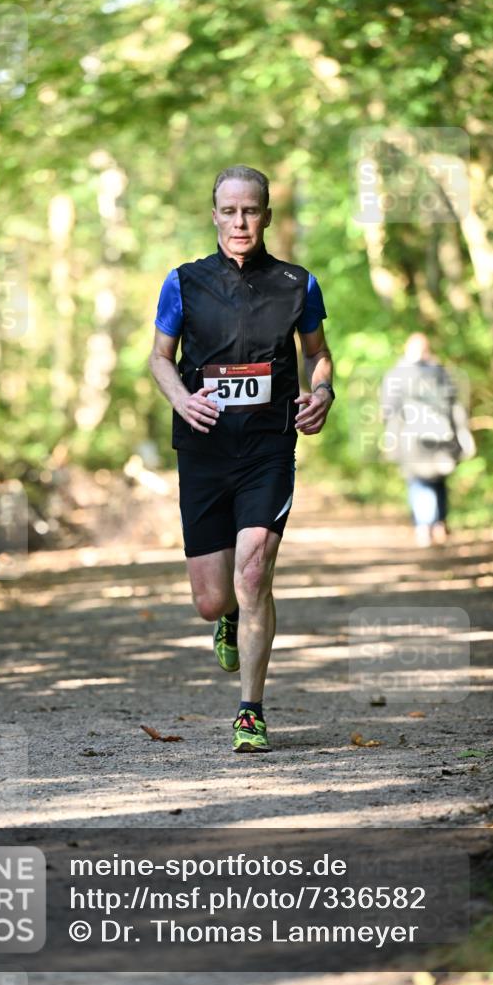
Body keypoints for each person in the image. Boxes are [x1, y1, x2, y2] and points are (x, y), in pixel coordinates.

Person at [148, 164, 333, 754]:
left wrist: (322, 393)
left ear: (267, 216)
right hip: (203, 447)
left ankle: (250, 711)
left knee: (254, 572)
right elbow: (158, 357)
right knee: (212, 600)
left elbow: (320, 356)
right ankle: (228, 616)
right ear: (214, 216)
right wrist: (181, 398)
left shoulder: (297, 284)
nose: (240, 222)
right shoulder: (183, 282)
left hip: (268, 446)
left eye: (250, 210)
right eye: (229, 211)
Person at [381, 333, 475, 548]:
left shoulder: (396, 375)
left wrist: (390, 438)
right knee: (437, 480)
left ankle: (425, 526)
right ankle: (438, 524)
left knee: (419, 481)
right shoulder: (441, 372)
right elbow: (455, 407)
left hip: (411, 437)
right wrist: (462, 434)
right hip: (441, 436)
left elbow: (389, 410)